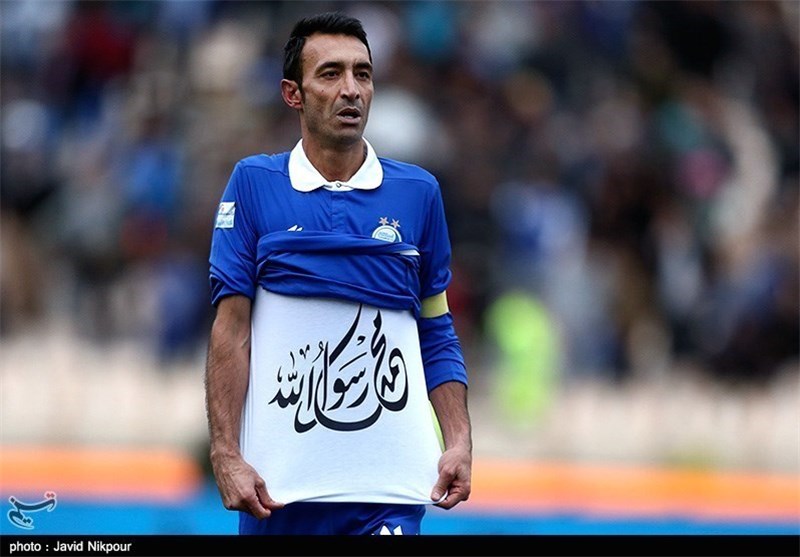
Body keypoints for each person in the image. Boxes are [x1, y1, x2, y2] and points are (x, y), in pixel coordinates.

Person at [205, 12, 471, 536]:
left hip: (386, 496)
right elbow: (231, 333)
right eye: (330, 73)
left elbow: (435, 329)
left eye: (362, 74)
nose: (351, 89)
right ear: (293, 94)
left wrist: (459, 439)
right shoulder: (254, 183)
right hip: (278, 494)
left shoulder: (418, 193)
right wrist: (226, 453)